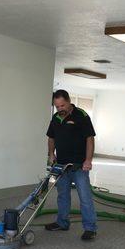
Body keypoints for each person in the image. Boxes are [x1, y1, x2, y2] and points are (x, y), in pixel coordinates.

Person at [45, 90, 98, 240]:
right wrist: (51, 154)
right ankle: (62, 222)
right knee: (62, 196)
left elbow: (90, 139)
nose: (60, 108)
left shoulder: (81, 115)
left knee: (85, 197)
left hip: (79, 165)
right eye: (57, 106)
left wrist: (88, 160)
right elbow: (51, 137)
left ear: (69, 102)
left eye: (62, 105)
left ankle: (90, 228)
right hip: (62, 164)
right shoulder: (56, 118)